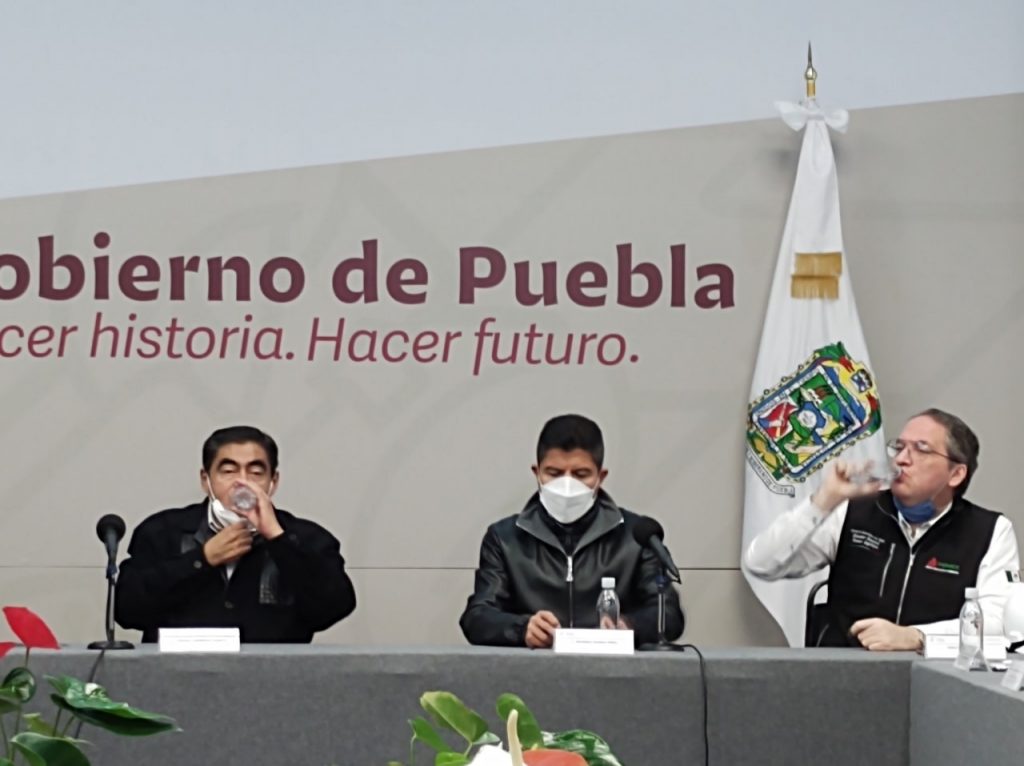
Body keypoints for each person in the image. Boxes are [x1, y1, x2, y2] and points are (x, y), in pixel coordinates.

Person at [745, 408, 1020, 650]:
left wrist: (916, 637)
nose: (901, 459)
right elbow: (761, 564)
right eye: (899, 447)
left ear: (956, 474)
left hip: (939, 683)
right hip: (842, 678)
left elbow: (1001, 622)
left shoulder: (990, 530)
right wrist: (821, 503)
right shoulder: (854, 510)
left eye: (921, 449)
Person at [460, 414, 684, 648]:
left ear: (601, 476)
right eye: (554, 474)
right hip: (531, 674)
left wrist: (627, 626)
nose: (566, 486)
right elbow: (477, 617)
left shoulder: (637, 537)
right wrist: (522, 628)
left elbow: (668, 614)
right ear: (537, 473)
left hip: (616, 675)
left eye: (580, 475)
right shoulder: (505, 538)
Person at [116, 425, 356, 642]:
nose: (242, 482)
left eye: (255, 472)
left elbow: (332, 608)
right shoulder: (162, 531)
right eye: (229, 471)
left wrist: (277, 539)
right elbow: (127, 610)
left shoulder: (308, 538)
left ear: (273, 481)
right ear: (205, 480)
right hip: (177, 678)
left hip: (275, 682)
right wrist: (202, 560)